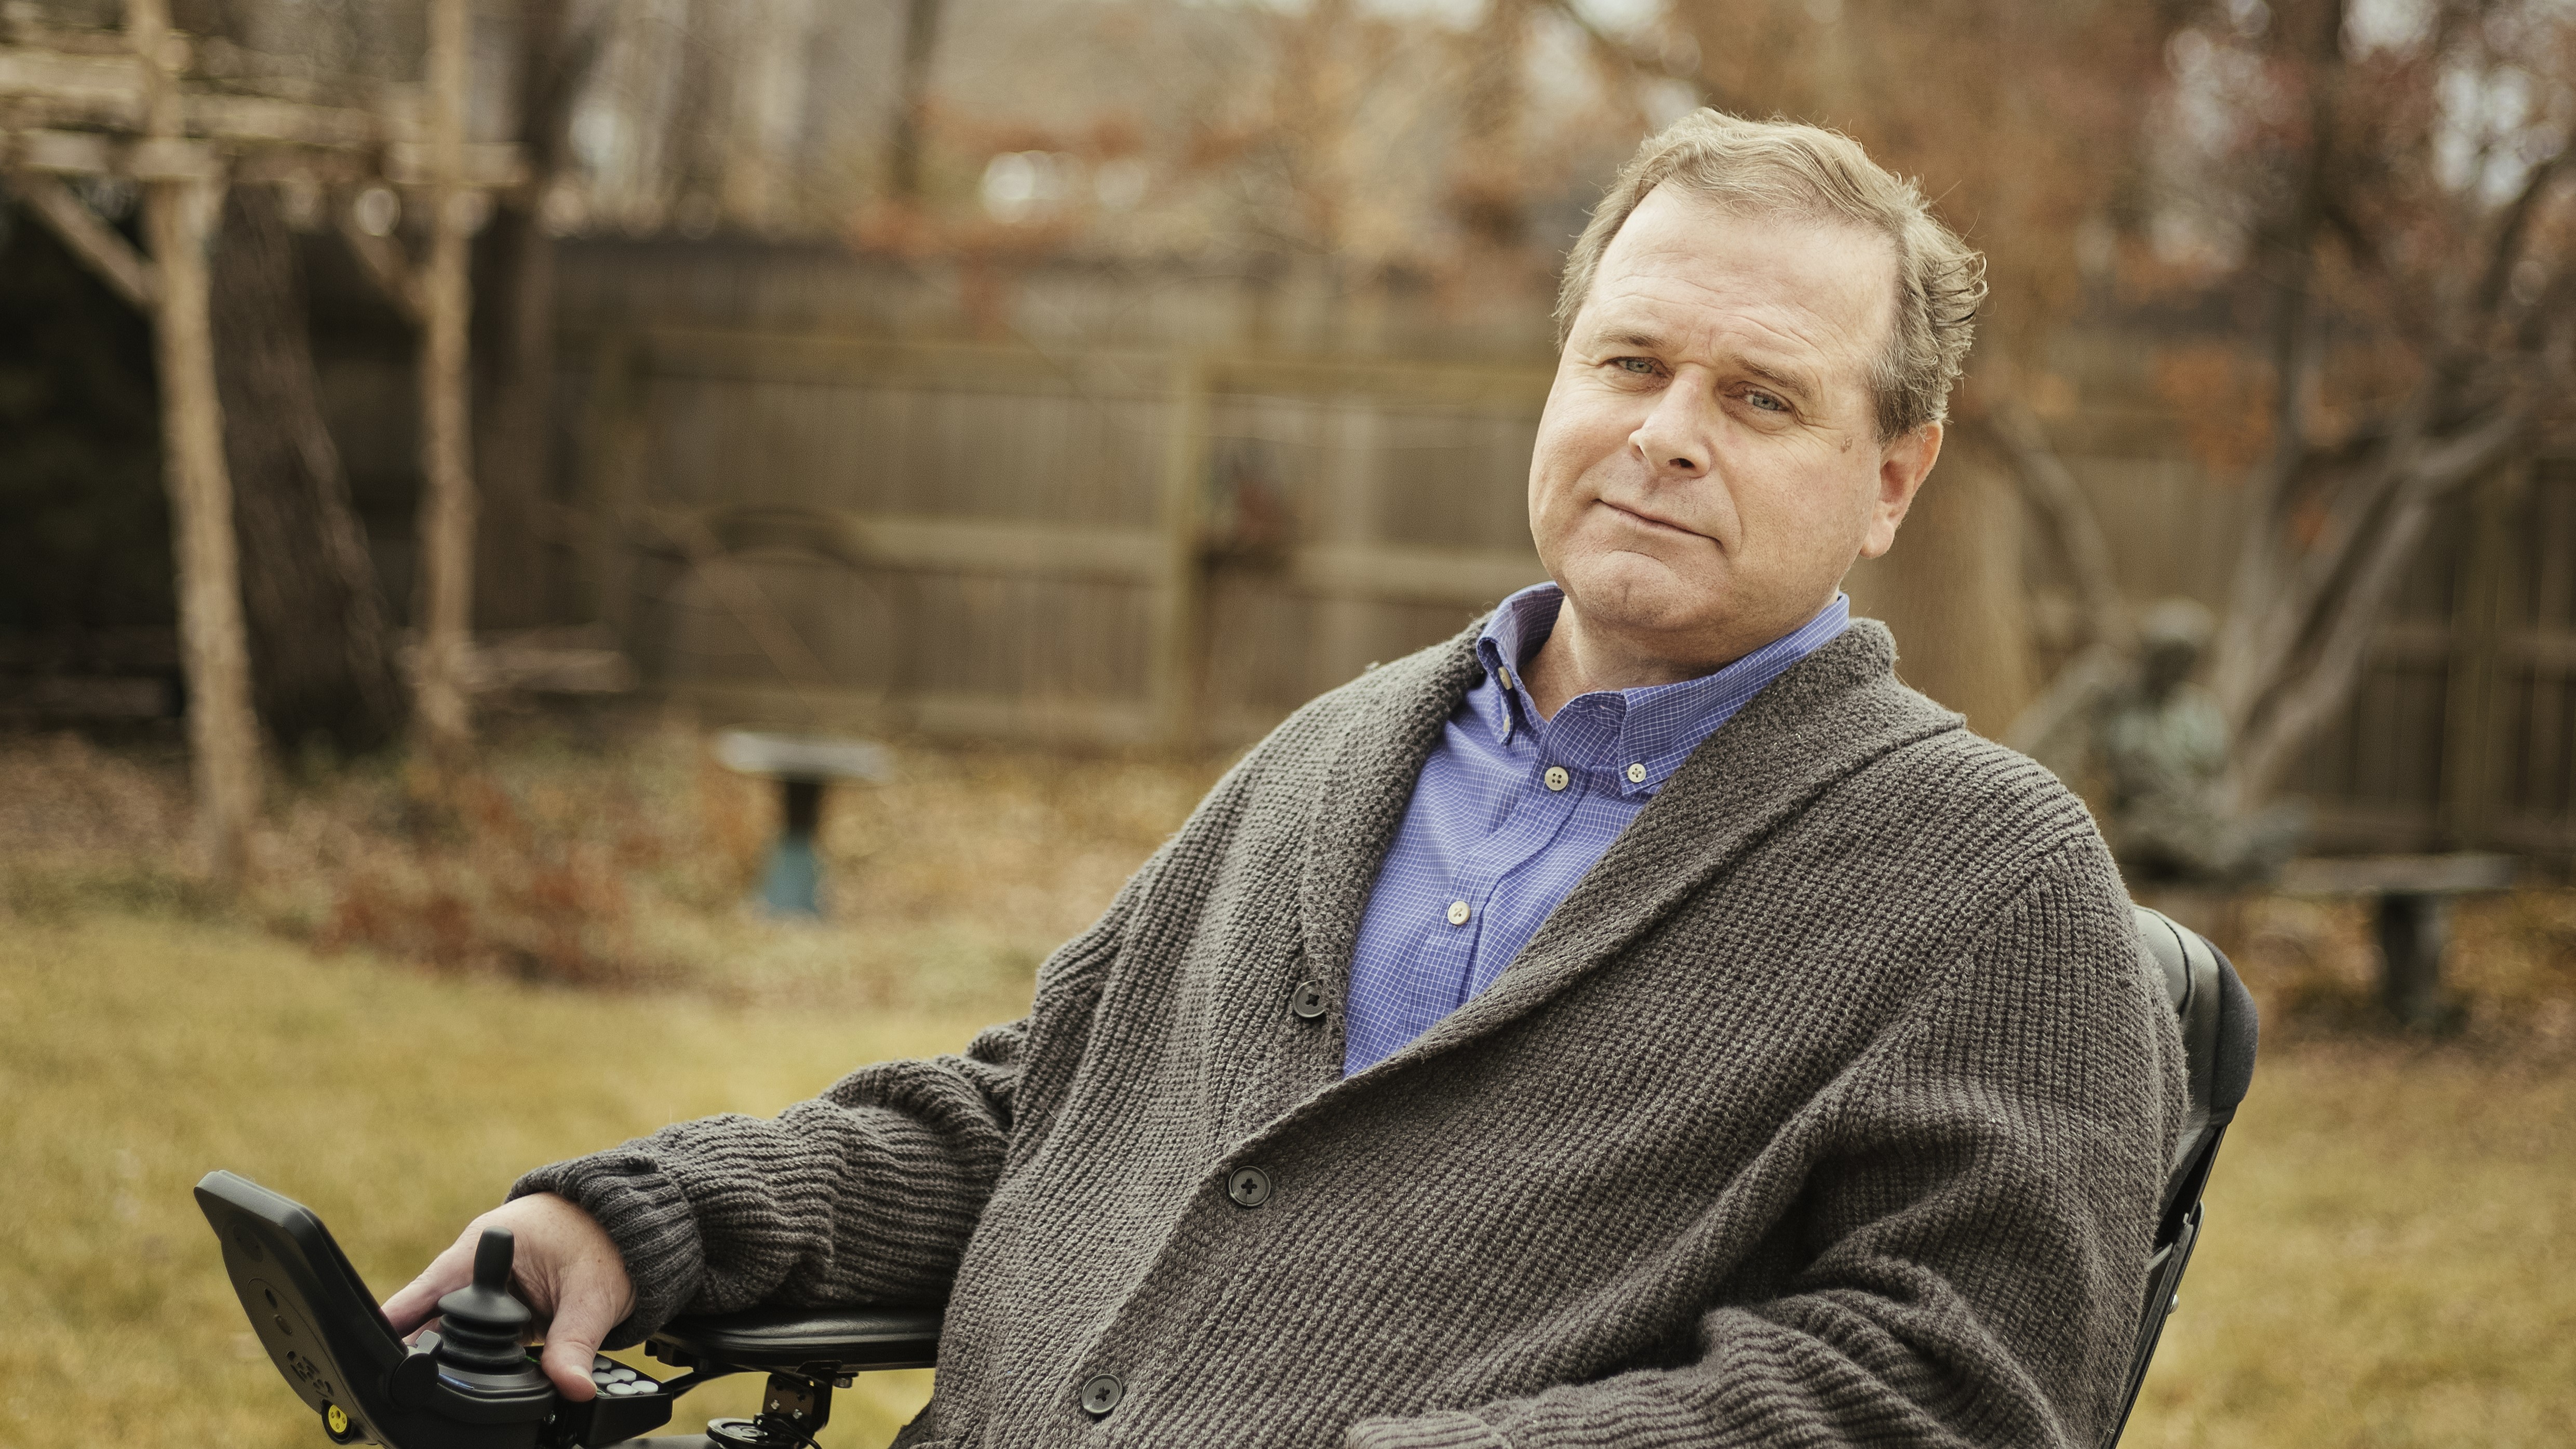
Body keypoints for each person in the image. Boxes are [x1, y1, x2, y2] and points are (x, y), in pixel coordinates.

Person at [388, 110, 2185, 1448]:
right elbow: (1046, 1120)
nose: (1663, 434)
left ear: (1893, 478)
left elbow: (1956, 1390)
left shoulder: (1993, 883)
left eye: (1760, 398)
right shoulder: (1346, 752)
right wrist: (648, 1215)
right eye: (1629, 362)